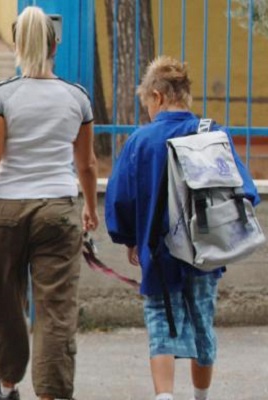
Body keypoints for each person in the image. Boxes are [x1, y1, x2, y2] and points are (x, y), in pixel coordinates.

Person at [105, 56, 259, 400]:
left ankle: (164, 396)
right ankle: (200, 396)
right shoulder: (212, 133)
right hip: (205, 250)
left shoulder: (139, 142)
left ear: (157, 96)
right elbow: (244, 190)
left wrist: (129, 239)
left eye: (146, 102)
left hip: (158, 250)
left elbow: (121, 199)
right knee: (202, 321)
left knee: (161, 317)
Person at [0, 6, 98, 400]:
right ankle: (51, 392)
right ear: (55, 44)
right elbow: (88, 163)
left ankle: (7, 383)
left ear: (16, 43)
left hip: (6, 210)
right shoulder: (77, 97)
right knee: (56, 309)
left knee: (5, 303)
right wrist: (91, 208)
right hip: (58, 210)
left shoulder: (2, 94)